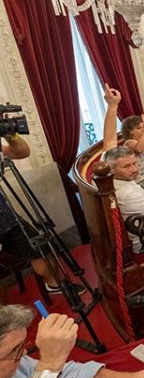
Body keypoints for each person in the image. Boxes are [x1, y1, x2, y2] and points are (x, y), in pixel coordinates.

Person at [0, 305, 144, 378]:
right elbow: (48, 373)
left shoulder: (15, 361)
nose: (24, 353)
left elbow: (64, 377)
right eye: (14, 350)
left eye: (22, 346)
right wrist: (50, 362)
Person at [0, 126, 82, 295]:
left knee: (40, 247)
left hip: (7, 218)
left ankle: (54, 284)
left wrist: (10, 135)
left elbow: (21, 152)